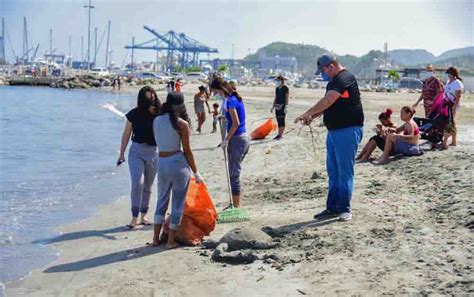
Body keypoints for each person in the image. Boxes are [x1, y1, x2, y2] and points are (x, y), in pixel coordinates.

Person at [295, 55, 364, 221]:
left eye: (323, 70)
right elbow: (329, 106)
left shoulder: (344, 78)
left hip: (348, 131)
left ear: (331, 66)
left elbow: (327, 100)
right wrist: (313, 116)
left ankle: (344, 209)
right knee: (333, 171)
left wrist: (307, 112)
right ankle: (332, 207)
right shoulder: (333, 82)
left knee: (344, 171)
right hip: (334, 132)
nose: (322, 73)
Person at [152, 91, 203, 249]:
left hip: (161, 162)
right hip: (178, 163)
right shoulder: (182, 124)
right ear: (181, 105)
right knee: (177, 204)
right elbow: (187, 151)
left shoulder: (156, 121)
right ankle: (170, 241)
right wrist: (196, 172)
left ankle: (155, 239)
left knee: (161, 200)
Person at [117, 86, 160, 229]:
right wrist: (121, 153)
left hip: (154, 151)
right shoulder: (133, 114)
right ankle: (134, 217)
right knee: (138, 183)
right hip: (136, 151)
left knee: (148, 185)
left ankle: (143, 216)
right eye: (149, 97)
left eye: (153, 96)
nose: (151, 99)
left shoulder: (158, 113)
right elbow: (126, 134)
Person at [210, 77, 250, 208]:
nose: (216, 94)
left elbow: (236, 123)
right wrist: (223, 117)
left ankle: (236, 205)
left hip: (237, 139)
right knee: (233, 171)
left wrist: (226, 140)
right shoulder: (234, 98)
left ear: (221, 89)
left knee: (233, 173)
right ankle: (233, 202)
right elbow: (233, 117)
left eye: (216, 91)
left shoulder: (231, 100)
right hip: (242, 138)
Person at [441, 67, 464, 149]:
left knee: (450, 122)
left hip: (453, 104)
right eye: (448, 73)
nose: (448, 75)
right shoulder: (448, 82)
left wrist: (455, 106)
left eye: (449, 73)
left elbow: (458, 96)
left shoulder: (457, 83)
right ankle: (454, 141)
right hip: (446, 104)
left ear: (453, 74)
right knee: (452, 122)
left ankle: (448, 141)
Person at [271, 75, 289, 140]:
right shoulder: (277, 88)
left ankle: (281, 135)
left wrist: (286, 106)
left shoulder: (285, 88)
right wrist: (273, 107)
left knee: (282, 120)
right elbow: (276, 98)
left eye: (278, 81)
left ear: (281, 81)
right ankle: (278, 134)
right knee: (278, 120)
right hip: (277, 106)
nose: (277, 82)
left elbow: (287, 98)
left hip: (283, 106)